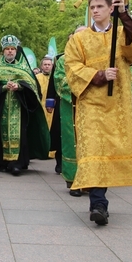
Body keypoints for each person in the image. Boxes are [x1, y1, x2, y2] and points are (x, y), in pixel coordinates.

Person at [65, 0, 132, 226]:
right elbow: (72, 68)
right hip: (90, 103)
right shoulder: (78, 40)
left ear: (110, 9)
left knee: (109, 152)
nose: (95, 11)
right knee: (93, 150)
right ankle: (98, 204)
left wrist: (125, 14)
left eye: (100, 7)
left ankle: (100, 200)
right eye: (92, 8)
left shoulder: (121, 33)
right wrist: (99, 74)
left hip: (116, 105)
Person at [0, 35, 50, 176]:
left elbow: (32, 86)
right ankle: (4, 162)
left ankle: (17, 163)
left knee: (20, 134)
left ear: (16, 50)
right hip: (1, 108)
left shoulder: (23, 68)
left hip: (19, 108)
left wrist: (20, 86)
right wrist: (2, 88)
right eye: (7, 49)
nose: (9, 51)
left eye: (12, 49)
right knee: (0, 133)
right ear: (3, 51)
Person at [54, 26, 87, 196]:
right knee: (71, 141)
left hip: (91, 106)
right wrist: (84, 86)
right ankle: (73, 180)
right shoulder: (62, 60)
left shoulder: (94, 56)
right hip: (71, 106)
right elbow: (60, 81)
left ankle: (91, 180)